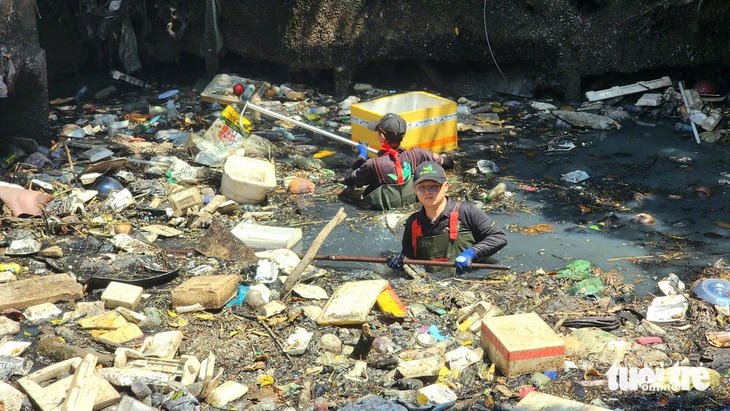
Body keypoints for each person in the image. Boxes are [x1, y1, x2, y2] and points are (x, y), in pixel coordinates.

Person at [387, 161, 508, 275]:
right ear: (415, 190)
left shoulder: (466, 211)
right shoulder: (413, 222)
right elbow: (409, 257)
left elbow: (499, 237)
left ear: (446, 186)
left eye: (434, 187)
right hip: (432, 284)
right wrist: (401, 261)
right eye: (421, 188)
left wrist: (472, 253)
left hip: (469, 280)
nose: (428, 192)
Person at [343, 113, 454, 210]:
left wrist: (361, 157)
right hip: (411, 202)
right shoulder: (417, 153)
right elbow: (448, 163)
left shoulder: (373, 164)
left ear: (382, 137)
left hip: (383, 207)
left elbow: (349, 180)